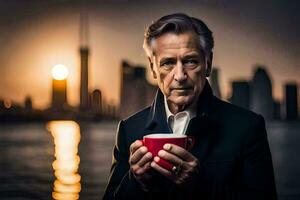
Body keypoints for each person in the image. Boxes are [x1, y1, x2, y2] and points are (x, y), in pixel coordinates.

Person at [103, 13, 277, 200]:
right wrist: (135, 182)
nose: (179, 75)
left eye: (190, 61)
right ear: (153, 68)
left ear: (208, 63)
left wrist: (200, 185)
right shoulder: (129, 129)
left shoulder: (248, 128)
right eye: (168, 63)